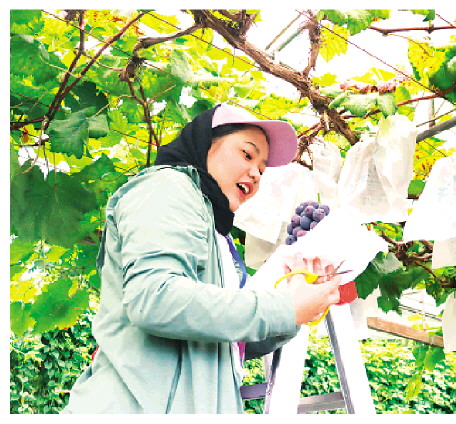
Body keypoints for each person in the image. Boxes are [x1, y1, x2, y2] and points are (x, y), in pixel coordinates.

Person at [62, 103, 341, 414]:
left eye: (262, 170)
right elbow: (156, 299)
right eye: (247, 154)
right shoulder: (167, 187)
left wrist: (293, 312)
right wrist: (283, 307)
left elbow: (224, 341)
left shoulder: (217, 235)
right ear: (206, 144)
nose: (255, 173)